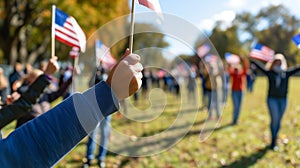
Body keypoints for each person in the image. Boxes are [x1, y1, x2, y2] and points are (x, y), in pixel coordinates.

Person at [0, 50, 143, 167]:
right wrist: (104, 96)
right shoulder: (20, 89)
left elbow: (48, 95)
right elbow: (14, 157)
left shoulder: (44, 94)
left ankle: (99, 158)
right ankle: (90, 157)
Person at [250, 53, 300, 150]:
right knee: (275, 119)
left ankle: (275, 138)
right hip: (272, 99)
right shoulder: (270, 73)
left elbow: (297, 68)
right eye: (276, 62)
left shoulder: (286, 73)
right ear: (273, 63)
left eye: (280, 62)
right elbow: (260, 66)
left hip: (283, 100)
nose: (278, 63)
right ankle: (273, 141)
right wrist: (252, 59)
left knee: (279, 121)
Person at [84, 63, 111, 168]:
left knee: (104, 134)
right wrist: (94, 74)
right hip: (94, 109)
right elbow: (89, 84)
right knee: (92, 134)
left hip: (106, 111)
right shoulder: (95, 78)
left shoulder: (109, 78)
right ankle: (89, 157)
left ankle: (101, 158)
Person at [228, 56, 248, 125]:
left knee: (239, 106)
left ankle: (236, 120)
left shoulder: (242, 73)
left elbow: (246, 67)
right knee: (236, 106)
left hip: (241, 91)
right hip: (234, 91)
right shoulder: (233, 74)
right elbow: (229, 69)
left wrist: (243, 60)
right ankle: (234, 120)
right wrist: (230, 62)